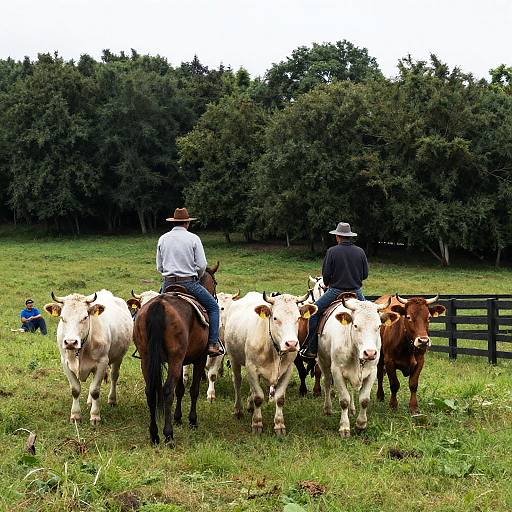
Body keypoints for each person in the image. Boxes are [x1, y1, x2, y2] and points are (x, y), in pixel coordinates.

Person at [156, 207, 223, 357]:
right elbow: (201, 265)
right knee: (213, 307)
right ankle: (212, 343)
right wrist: (197, 277)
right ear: (187, 223)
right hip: (189, 283)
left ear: (174, 223)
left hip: (167, 284)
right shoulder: (193, 238)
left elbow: (159, 266)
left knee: (150, 307)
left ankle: (145, 343)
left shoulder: (162, 239)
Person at [300, 222, 368, 359]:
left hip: (336, 291)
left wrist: (327, 284)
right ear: (349, 236)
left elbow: (326, 274)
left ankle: (312, 349)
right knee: (371, 316)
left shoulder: (332, 251)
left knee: (313, 313)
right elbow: (365, 274)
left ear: (338, 236)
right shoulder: (360, 251)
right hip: (356, 291)